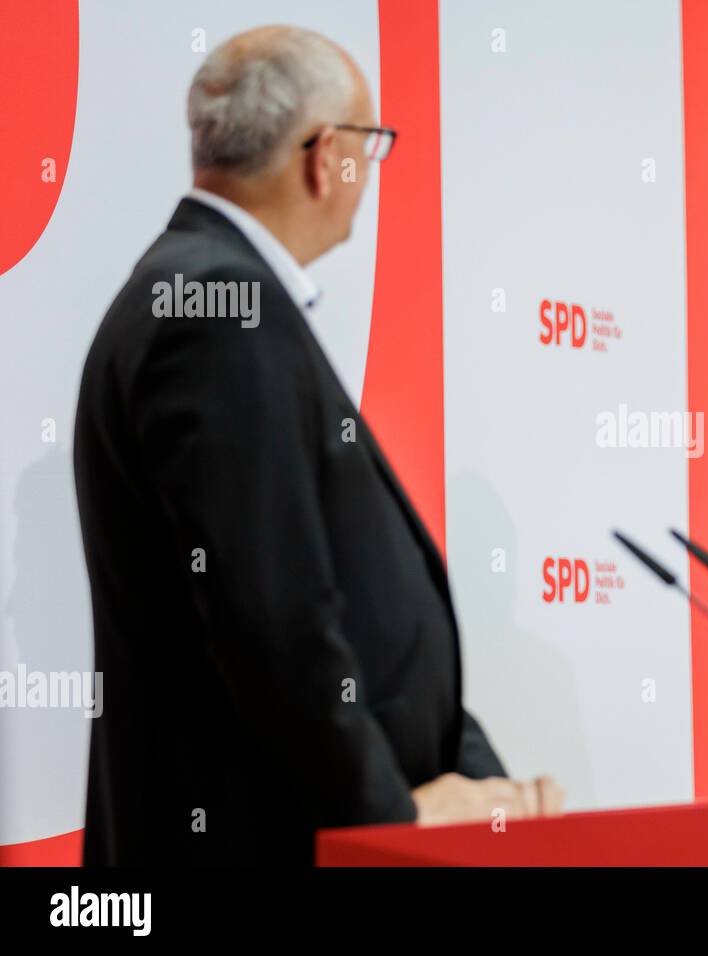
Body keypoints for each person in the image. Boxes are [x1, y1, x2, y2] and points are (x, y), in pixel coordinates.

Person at [73, 25, 561, 864]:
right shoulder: (220, 305)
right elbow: (271, 615)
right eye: (370, 146)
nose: (369, 173)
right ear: (323, 154)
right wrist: (393, 821)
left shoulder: (203, 289)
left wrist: (476, 781)